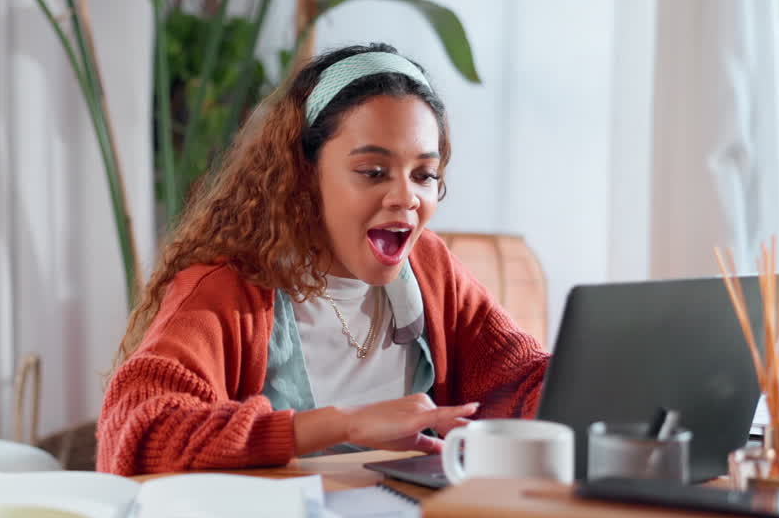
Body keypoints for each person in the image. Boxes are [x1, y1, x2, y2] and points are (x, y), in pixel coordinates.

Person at [97, 44, 548, 475]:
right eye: (373, 172)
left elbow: (525, 383)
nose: (405, 197)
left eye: (424, 174)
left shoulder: (430, 267)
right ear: (304, 174)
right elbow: (137, 434)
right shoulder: (226, 288)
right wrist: (347, 423)